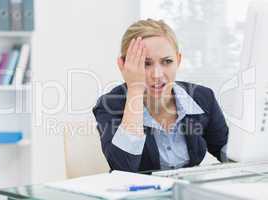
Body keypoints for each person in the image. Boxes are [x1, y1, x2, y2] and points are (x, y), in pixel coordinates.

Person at [92, 19, 228, 172]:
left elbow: (230, 155)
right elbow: (124, 167)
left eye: (167, 61)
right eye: (145, 63)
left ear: (178, 60)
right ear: (123, 65)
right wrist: (135, 90)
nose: (157, 74)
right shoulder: (109, 105)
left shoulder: (203, 98)